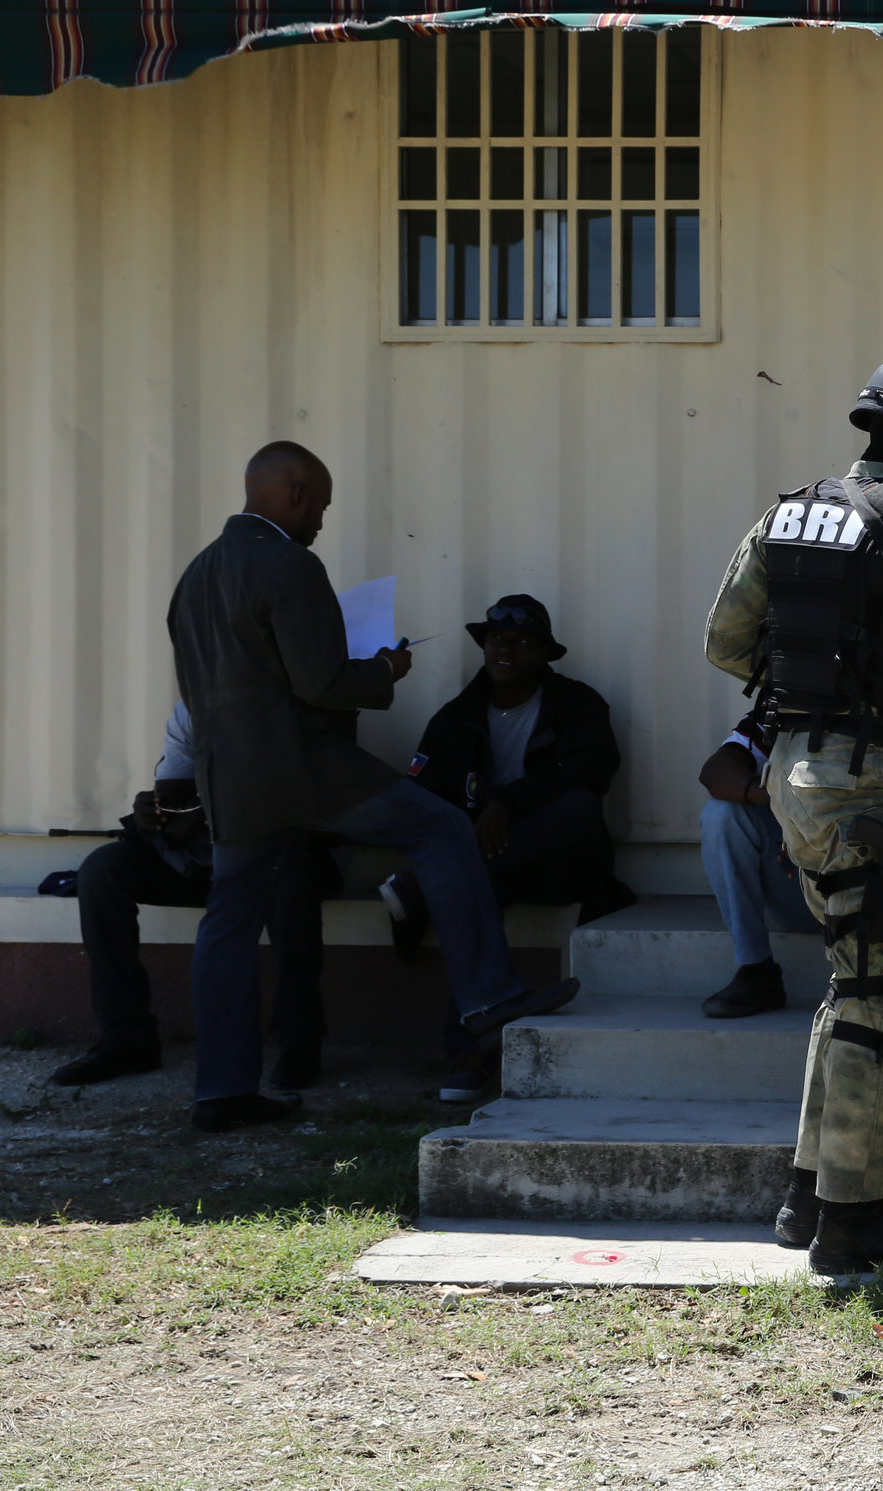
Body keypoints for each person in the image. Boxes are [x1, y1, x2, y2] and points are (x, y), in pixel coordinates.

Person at [167, 441, 580, 1130]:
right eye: (321, 505)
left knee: (229, 923)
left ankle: (222, 1091)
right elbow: (321, 683)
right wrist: (383, 670)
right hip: (306, 770)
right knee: (443, 827)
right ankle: (487, 997)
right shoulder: (291, 565)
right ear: (295, 492)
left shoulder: (195, 576)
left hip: (229, 780)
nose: (322, 521)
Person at [703, 356, 883, 1272]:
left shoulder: (788, 511)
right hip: (872, 782)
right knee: (879, 999)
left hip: (791, 772)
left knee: (850, 984)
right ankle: (855, 1222)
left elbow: (724, 641)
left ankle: (807, 1194)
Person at [49, 702, 333, 1093]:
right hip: (205, 860)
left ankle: (299, 1041)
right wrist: (153, 811)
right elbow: (175, 795)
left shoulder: (303, 703)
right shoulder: (196, 708)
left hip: (278, 857)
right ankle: (128, 1039)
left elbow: (311, 801)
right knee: (102, 872)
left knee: (292, 876)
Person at [392, 593, 635, 924]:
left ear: (543, 654)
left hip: (555, 865)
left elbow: (595, 768)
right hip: (490, 860)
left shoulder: (577, 703)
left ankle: (431, 880)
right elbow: (424, 797)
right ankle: (445, 884)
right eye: (495, 639)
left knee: (580, 805)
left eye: (521, 641)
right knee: (475, 887)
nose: (505, 650)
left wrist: (509, 801)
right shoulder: (454, 719)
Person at [695, 712, 823, 1018]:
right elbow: (716, 772)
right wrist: (788, 810)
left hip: (876, 895)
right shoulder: (790, 701)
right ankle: (756, 969)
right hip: (803, 888)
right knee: (722, 813)